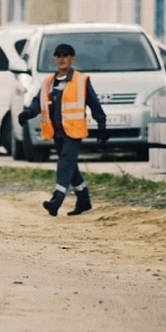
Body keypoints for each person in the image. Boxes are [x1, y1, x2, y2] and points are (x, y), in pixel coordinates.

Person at [18, 43, 109, 217]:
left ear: (72, 59)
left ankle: (56, 200)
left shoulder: (81, 80)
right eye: (58, 55)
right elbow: (38, 102)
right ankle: (84, 200)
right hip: (56, 132)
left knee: (64, 163)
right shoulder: (48, 82)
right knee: (70, 166)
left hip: (74, 131)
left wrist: (102, 124)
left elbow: (94, 103)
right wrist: (27, 113)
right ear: (55, 59)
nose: (62, 59)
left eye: (66, 55)